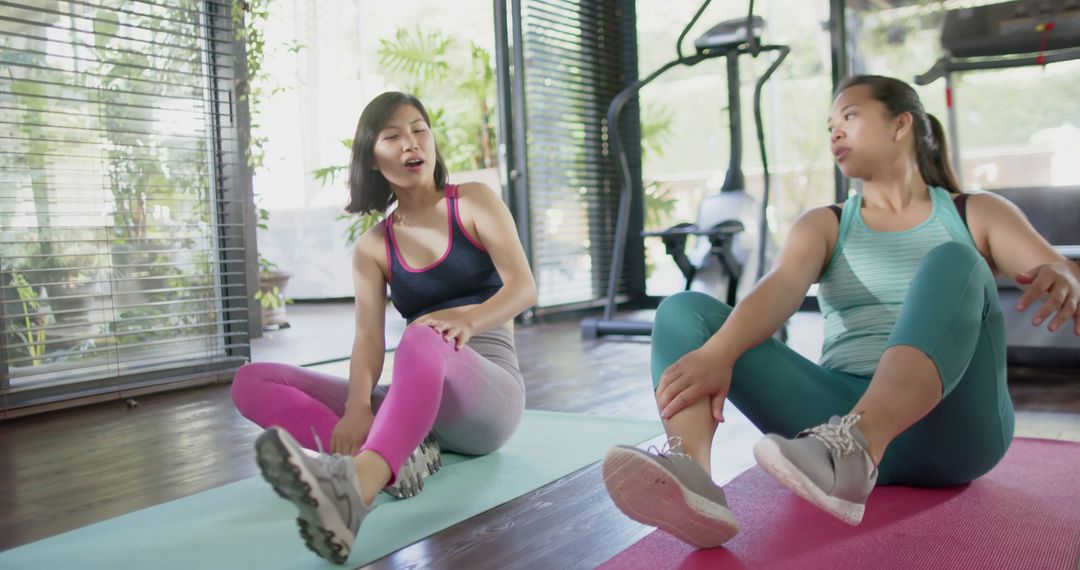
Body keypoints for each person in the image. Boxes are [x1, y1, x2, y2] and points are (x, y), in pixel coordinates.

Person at [602, 74, 1080, 547]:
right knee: (683, 310)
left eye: (849, 116)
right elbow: (780, 289)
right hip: (831, 429)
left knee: (956, 260)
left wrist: (1065, 277)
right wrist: (717, 353)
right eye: (829, 123)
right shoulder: (824, 225)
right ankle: (693, 480)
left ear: (901, 125)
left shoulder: (974, 212)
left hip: (954, 429)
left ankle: (861, 447)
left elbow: (1058, 271)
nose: (834, 131)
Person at [230, 92, 536, 564]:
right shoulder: (374, 247)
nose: (411, 143)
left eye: (419, 129)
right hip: (416, 399)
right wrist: (356, 408)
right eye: (392, 136)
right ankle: (401, 454)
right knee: (252, 382)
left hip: (488, 400)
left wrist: (467, 319)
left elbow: (523, 288)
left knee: (420, 334)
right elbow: (368, 339)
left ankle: (361, 483)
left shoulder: (471, 202)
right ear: (372, 159)